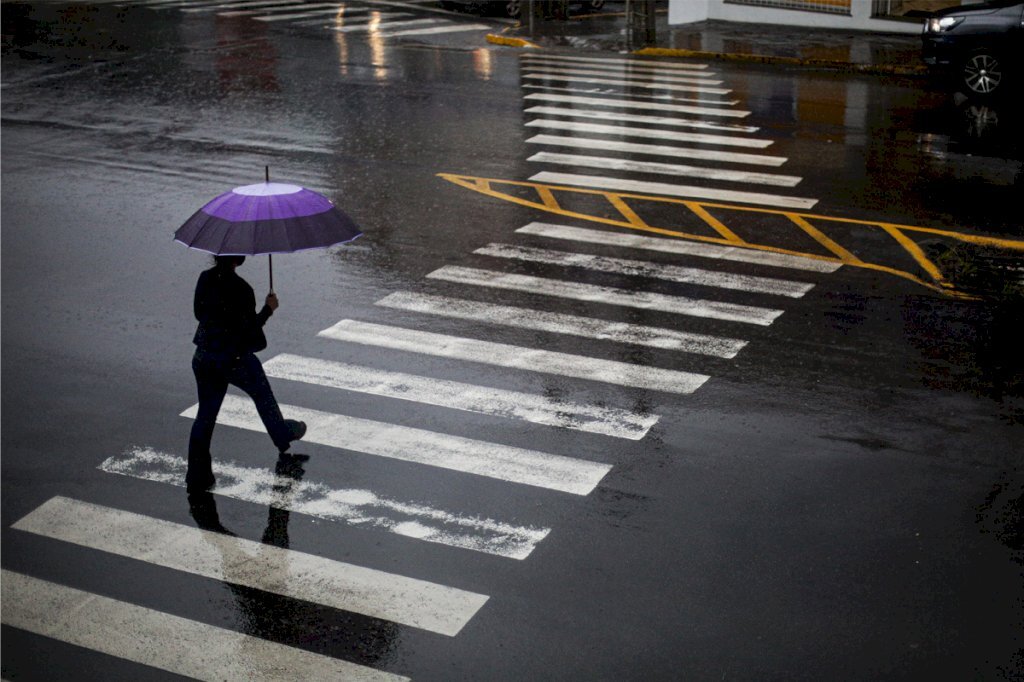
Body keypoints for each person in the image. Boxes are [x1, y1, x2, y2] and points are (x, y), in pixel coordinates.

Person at [186, 254, 306, 492]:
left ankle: (197, 475)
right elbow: (249, 329)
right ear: (238, 259)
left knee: (205, 416)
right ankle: (282, 435)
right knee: (262, 394)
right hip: (233, 358)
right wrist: (268, 309)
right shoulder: (242, 289)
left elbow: (199, 314)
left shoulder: (205, 278)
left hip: (204, 356)